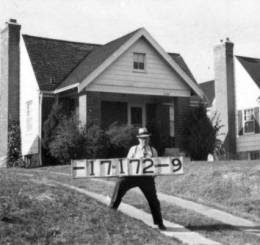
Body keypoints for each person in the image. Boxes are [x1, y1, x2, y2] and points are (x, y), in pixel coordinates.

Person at [109, 127, 166, 230]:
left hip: (146, 179)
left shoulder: (153, 151)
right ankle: (111, 211)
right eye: (143, 138)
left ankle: (160, 223)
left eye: (147, 138)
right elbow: (127, 164)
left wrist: (155, 173)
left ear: (149, 139)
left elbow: (157, 166)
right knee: (120, 183)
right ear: (139, 139)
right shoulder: (133, 149)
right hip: (133, 177)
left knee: (154, 200)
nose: (145, 140)